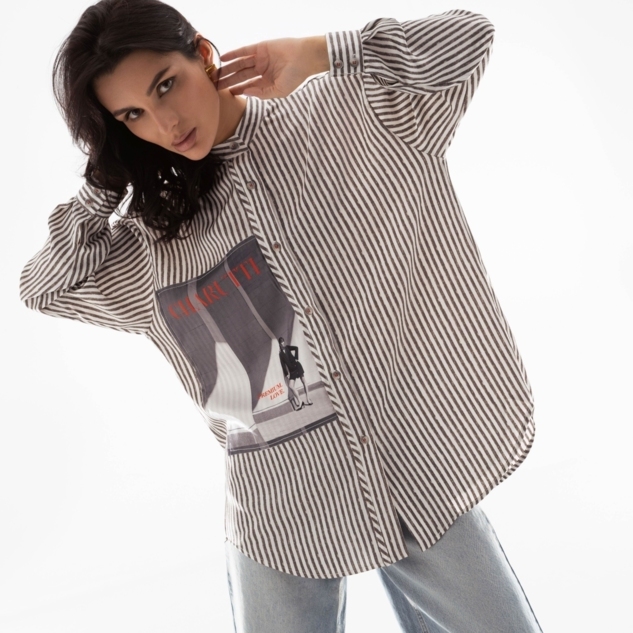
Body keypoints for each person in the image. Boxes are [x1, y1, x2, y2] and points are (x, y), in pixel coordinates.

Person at [20, 1, 542, 631]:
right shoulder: (157, 238)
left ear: (203, 54)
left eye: (166, 85)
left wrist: (319, 52)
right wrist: (103, 183)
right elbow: (44, 288)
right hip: (280, 511)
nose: (165, 122)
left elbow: (469, 38)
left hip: (416, 471)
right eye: (132, 115)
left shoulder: (353, 114)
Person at [278, 336, 313, 410]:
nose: (283, 343)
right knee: (291, 386)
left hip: (297, 365)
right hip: (292, 370)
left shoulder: (287, 347)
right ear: (279, 344)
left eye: (283, 342)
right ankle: (300, 401)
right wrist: (286, 374)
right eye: (281, 342)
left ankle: (308, 399)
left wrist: (296, 358)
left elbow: (296, 348)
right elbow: (283, 365)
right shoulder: (280, 354)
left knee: (304, 381)